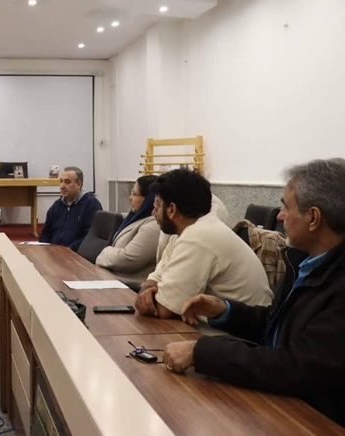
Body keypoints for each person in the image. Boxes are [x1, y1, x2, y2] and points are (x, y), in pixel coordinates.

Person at [164, 159, 345, 426]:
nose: (279, 216)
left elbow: (297, 366)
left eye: (286, 207)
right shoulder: (304, 261)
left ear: (313, 218)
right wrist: (224, 310)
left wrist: (202, 352)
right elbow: (277, 326)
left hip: (314, 420)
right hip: (282, 403)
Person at [135, 169, 272, 319]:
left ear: (172, 209)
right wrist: (148, 289)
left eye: (157, 207)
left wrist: (148, 295)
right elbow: (155, 278)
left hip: (237, 331)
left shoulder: (198, 237)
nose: (153, 213)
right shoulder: (185, 233)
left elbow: (165, 309)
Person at [96, 175, 160, 289]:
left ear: (148, 199)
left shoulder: (154, 226)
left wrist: (105, 252)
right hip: (113, 279)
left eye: (134, 194)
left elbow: (128, 259)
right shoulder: (135, 218)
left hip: (129, 287)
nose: (130, 198)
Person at [39, 166, 102, 250]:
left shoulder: (91, 204)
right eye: (61, 181)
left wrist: (69, 249)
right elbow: (46, 233)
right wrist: (44, 249)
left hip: (76, 253)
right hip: (54, 252)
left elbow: (90, 237)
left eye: (67, 182)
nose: (62, 186)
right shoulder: (57, 205)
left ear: (79, 184)